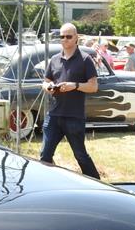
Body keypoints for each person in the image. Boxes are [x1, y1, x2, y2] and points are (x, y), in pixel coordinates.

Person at [39, 22, 100, 179]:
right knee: (44, 155)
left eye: (68, 36)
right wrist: (48, 87)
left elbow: (93, 87)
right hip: (54, 114)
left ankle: (96, 183)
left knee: (80, 155)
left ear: (76, 38)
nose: (64, 39)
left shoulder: (85, 59)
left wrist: (75, 86)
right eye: (62, 37)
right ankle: (51, 182)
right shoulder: (54, 59)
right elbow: (45, 81)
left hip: (74, 116)